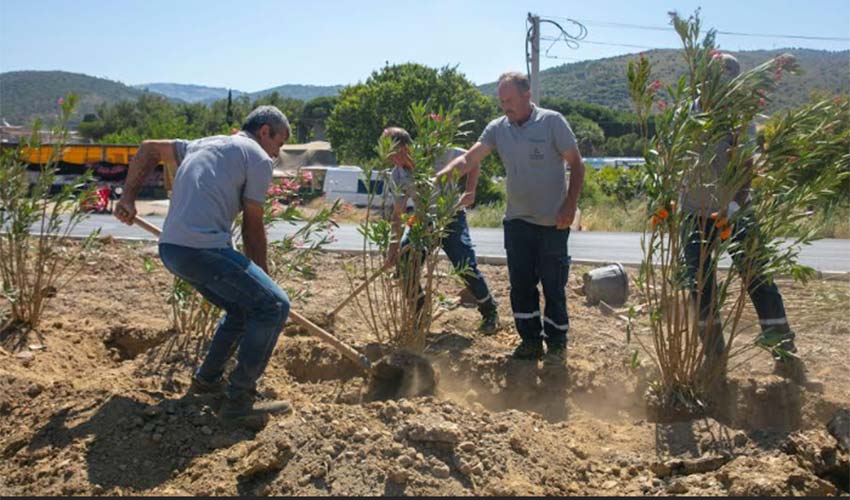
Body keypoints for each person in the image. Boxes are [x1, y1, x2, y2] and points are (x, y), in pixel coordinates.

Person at [114, 106, 294, 419]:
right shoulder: (257, 156)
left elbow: (148, 148)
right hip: (202, 250)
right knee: (273, 305)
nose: (276, 154)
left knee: (241, 310)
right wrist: (263, 280)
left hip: (172, 249)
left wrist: (128, 197)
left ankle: (207, 382)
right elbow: (253, 226)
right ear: (265, 131)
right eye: (278, 144)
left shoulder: (201, 143)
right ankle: (239, 400)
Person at [436, 72, 586, 367]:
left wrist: (570, 206)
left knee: (553, 286)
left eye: (510, 100)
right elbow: (469, 159)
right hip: (517, 221)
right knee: (521, 285)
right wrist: (442, 176)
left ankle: (557, 345)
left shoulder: (552, 122)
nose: (505, 106)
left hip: (553, 222)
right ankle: (530, 342)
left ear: (527, 95)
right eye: (502, 101)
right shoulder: (498, 128)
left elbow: (577, 165)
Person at [680, 53, 806, 383]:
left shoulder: (739, 115)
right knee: (699, 286)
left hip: (733, 211)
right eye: (713, 77)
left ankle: (785, 356)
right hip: (693, 212)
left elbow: (746, 166)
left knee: (758, 279)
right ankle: (714, 359)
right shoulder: (687, 112)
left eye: (726, 78)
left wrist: (735, 206)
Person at [382, 127, 500, 334]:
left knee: (464, 264)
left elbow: (472, 160)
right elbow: (398, 214)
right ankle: (420, 314)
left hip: (451, 216)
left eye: (392, 152)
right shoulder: (397, 175)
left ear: (405, 147)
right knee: (405, 260)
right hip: (423, 219)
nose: (390, 158)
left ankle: (489, 311)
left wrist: (470, 191)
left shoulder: (436, 152)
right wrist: (393, 249)